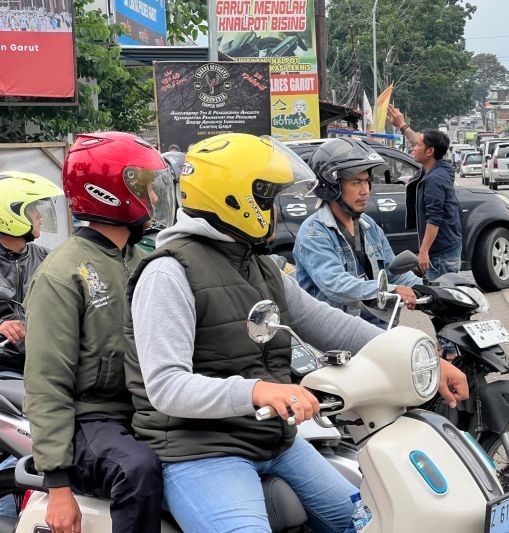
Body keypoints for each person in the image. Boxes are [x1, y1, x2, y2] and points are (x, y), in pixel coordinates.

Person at [126, 133, 469, 532]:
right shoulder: (168, 273)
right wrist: (258, 390)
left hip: (273, 439)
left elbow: (329, 324)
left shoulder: (261, 266)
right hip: (200, 451)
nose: (276, 210)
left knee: (370, 522)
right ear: (236, 200)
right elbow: (166, 387)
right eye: (269, 198)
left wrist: (422, 359)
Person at [23, 132, 172, 533]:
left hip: (144, 408)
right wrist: (57, 485)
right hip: (90, 418)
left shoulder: (146, 258)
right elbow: (46, 381)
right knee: (137, 471)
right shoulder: (63, 273)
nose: (154, 199)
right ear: (108, 192)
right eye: (143, 187)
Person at [293, 138, 421, 327]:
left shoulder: (368, 226)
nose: (365, 190)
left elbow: (393, 272)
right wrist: (394, 291)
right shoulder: (313, 232)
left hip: (377, 325)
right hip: (334, 334)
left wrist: (428, 289)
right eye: (356, 182)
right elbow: (334, 282)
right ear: (332, 186)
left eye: (367, 182)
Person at [0, 172, 63, 518]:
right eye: (32, 209)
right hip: (6, 371)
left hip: (41, 368)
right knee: (20, 442)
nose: (39, 216)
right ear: (10, 214)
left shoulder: (46, 257)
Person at [389, 105, 463, 280]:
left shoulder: (434, 180)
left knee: (442, 304)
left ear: (430, 152)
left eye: (419, 145)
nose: (414, 147)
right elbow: (418, 142)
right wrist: (402, 125)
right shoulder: (440, 166)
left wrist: (423, 252)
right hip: (447, 249)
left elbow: (434, 218)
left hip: (441, 256)